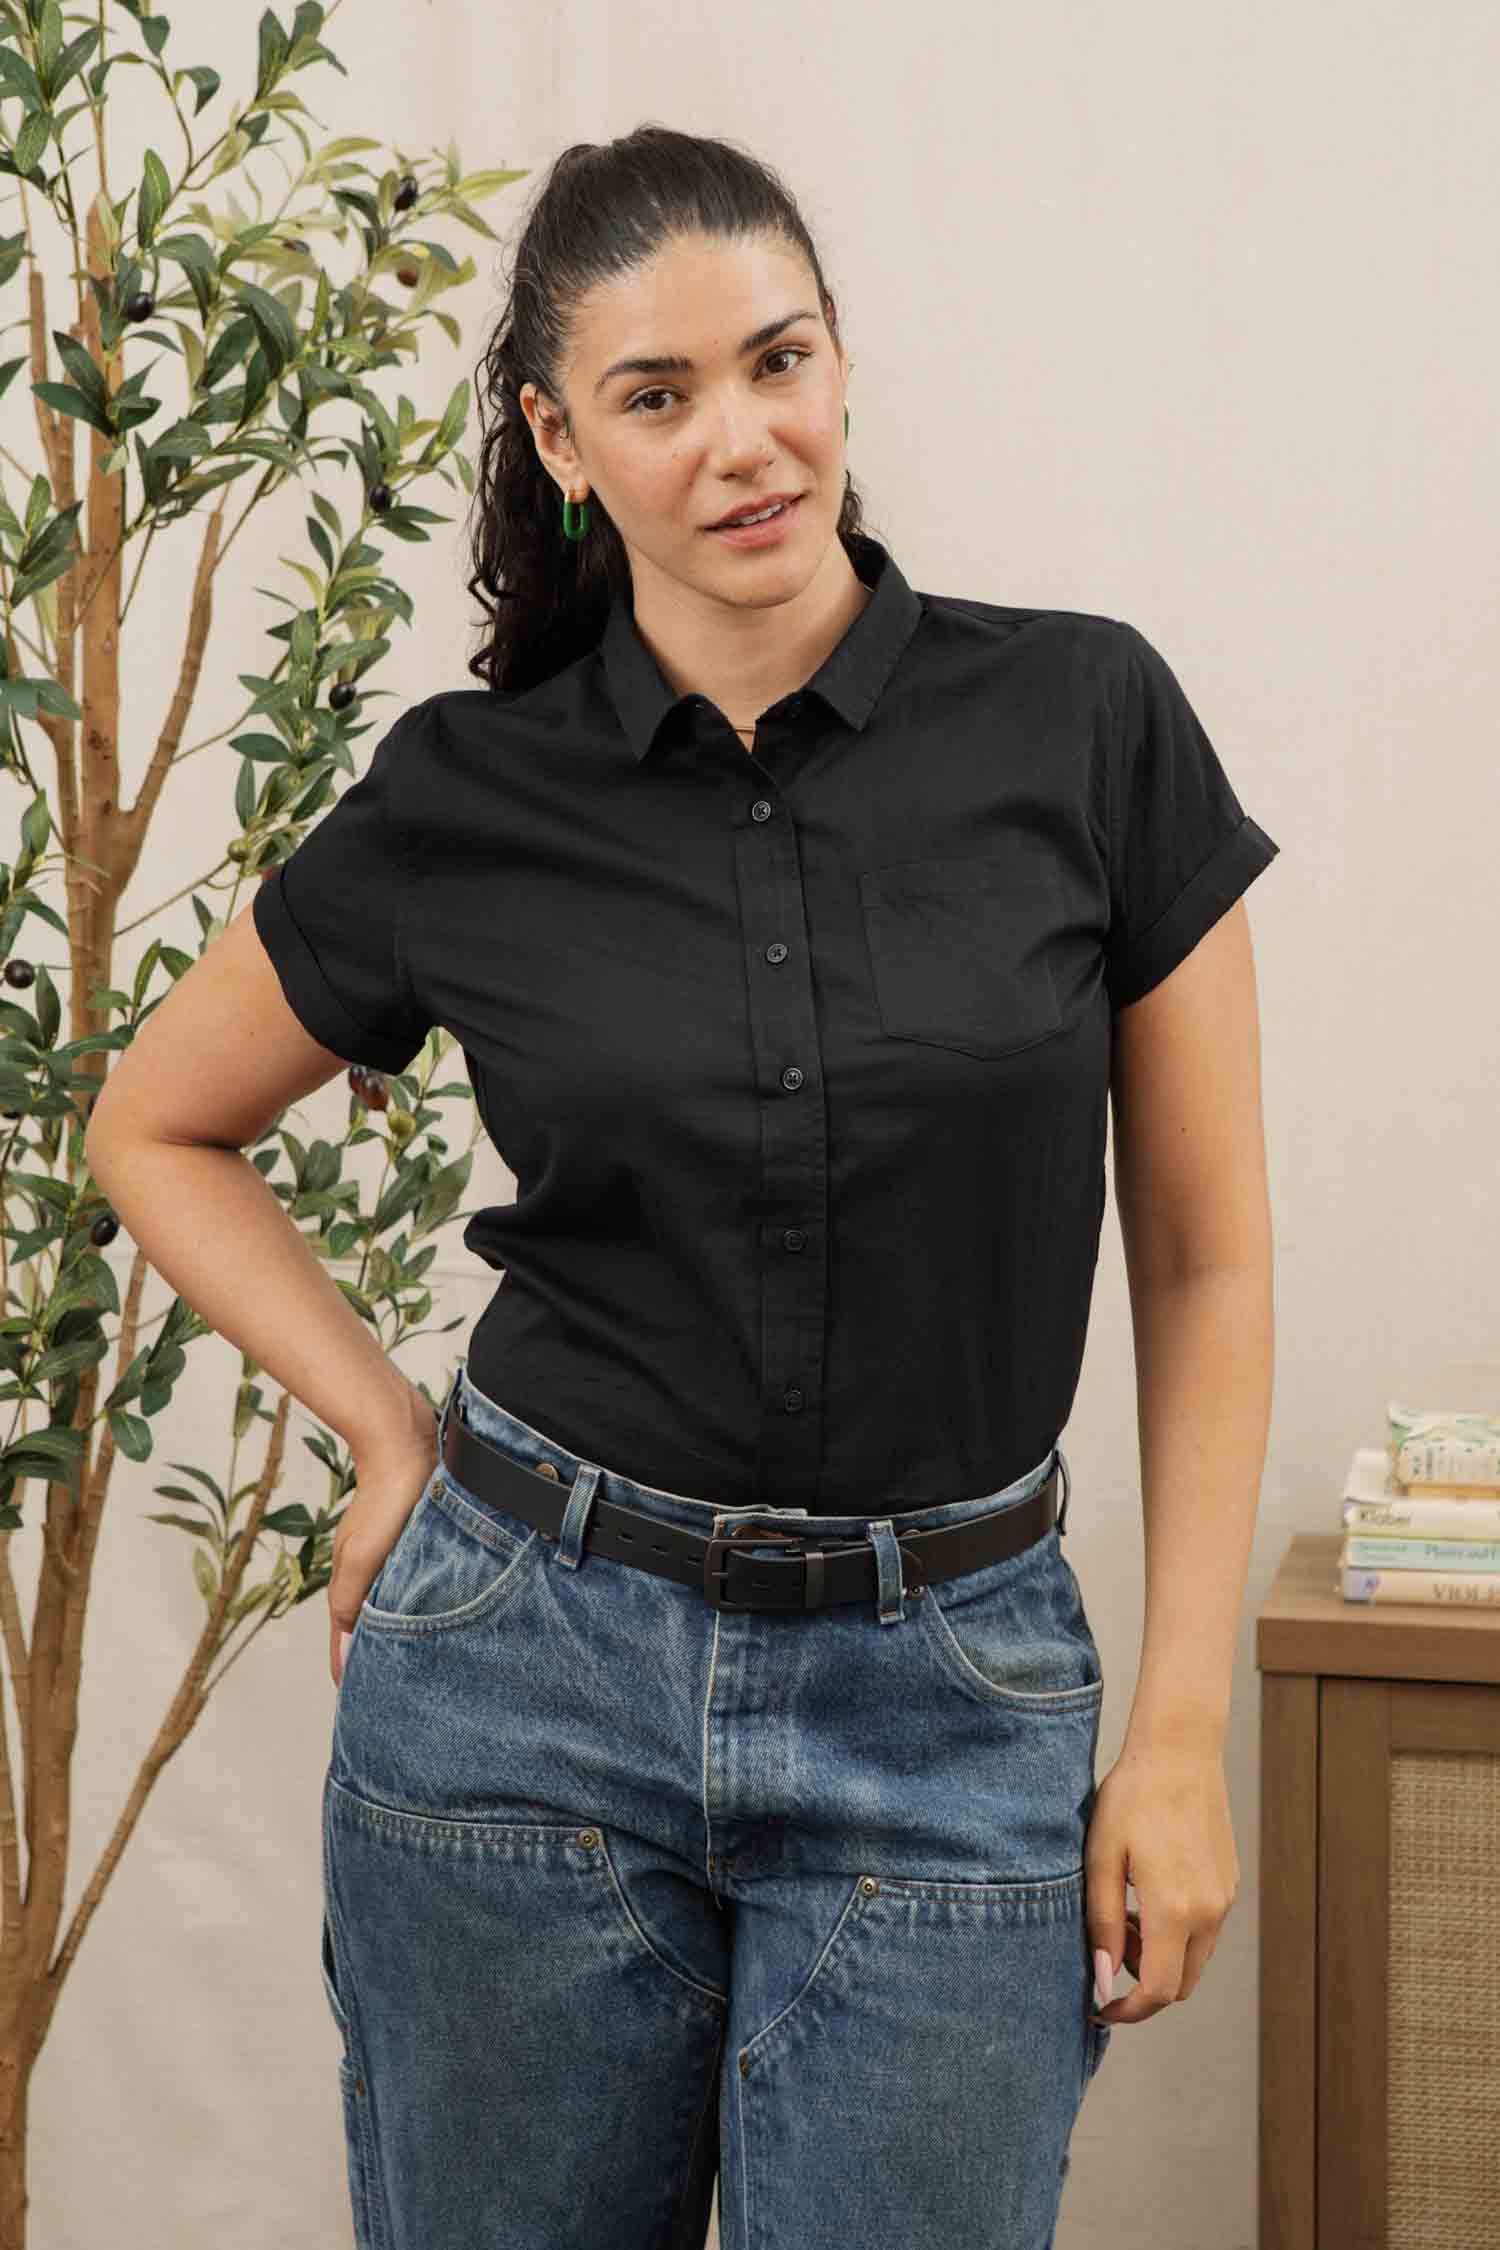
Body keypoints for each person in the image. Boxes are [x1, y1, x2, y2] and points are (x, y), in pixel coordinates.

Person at [85, 124, 1278, 2250]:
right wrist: (383, 1427)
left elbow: (1201, 1251)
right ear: (559, 438)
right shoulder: (467, 793)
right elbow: (154, 1119)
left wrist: (1179, 1729)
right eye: (656, 396)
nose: (745, 440)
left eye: (779, 360)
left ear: (840, 364)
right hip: (519, 1689)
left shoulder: (1087, 719)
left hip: (955, 1698)